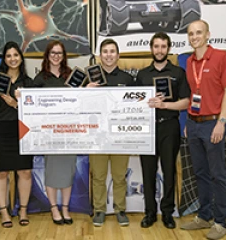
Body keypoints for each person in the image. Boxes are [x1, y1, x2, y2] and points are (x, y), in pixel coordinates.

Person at [180, 20, 226, 240]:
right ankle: (203, 216)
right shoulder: (189, 61)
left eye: (198, 33)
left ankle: (220, 222)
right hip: (194, 124)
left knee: (218, 175)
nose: (194, 36)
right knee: (200, 174)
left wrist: (221, 122)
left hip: (213, 124)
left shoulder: (221, 57)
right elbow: (193, 95)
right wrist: (188, 122)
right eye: (190, 33)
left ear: (207, 35)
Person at [135, 32, 190, 229]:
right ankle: (150, 212)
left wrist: (165, 105)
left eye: (163, 46)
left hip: (169, 126)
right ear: (151, 48)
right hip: (147, 128)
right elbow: (133, 103)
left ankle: (167, 212)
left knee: (169, 171)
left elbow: (186, 102)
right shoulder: (142, 75)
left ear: (168, 49)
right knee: (148, 172)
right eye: (156, 46)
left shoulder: (178, 73)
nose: (159, 50)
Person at [0, 41, 34, 228]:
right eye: (9, 56)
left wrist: (16, 104)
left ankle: (22, 210)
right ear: (4, 59)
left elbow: (34, 111)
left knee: (25, 171)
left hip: (22, 130)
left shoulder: (29, 83)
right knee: (1, 172)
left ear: (21, 58)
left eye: (16, 55)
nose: (12, 59)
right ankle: (4, 212)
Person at [88, 39, 134, 227]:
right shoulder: (90, 79)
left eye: (112, 51)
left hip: (120, 136)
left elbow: (135, 108)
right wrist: (85, 91)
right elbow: (79, 105)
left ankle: (120, 210)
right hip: (96, 136)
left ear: (118, 55)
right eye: (105, 51)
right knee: (98, 176)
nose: (109, 55)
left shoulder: (128, 79)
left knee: (119, 176)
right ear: (100, 55)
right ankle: (99, 210)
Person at [33, 40, 76, 225]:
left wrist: (86, 90)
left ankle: (65, 208)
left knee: (68, 171)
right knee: (51, 172)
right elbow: (30, 102)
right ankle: (53, 208)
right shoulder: (40, 78)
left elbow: (82, 99)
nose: (56, 56)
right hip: (49, 134)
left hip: (70, 132)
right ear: (47, 55)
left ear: (64, 56)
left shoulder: (72, 76)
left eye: (59, 53)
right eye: (53, 53)